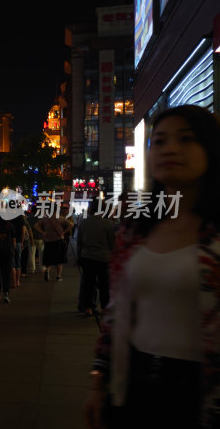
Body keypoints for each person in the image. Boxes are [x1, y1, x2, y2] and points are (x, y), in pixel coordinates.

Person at [85, 105, 220, 428]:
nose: (170, 149)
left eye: (185, 139)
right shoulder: (136, 227)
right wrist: (98, 380)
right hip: (135, 381)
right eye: (158, 141)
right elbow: (116, 310)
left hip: (201, 391)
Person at [76, 199, 115, 316]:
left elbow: (79, 241)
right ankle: (104, 308)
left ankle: (88, 308)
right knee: (104, 285)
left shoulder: (83, 222)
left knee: (88, 284)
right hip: (104, 258)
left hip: (87, 256)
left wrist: (79, 257)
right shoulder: (108, 224)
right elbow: (111, 243)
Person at [35, 210, 74, 282]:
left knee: (50, 259)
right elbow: (71, 225)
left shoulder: (45, 219)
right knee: (59, 260)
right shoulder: (60, 218)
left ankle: (47, 270)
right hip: (58, 241)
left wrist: (43, 233)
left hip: (48, 242)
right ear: (56, 210)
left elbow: (36, 226)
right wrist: (63, 232)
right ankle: (58, 276)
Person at [10, 214, 29, 288]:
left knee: (12, 263)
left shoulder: (8, 216)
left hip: (10, 243)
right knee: (18, 262)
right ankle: (17, 281)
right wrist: (22, 242)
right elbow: (23, 231)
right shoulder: (20, 218)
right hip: (18, 243)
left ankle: (13, 282)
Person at [27, 208, 44, 274]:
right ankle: (42, 268)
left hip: (31, 238)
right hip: (41, 238)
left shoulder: (28, 218)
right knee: (41, 254)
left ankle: (32, 269)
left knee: (31, 254)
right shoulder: (42, 218)